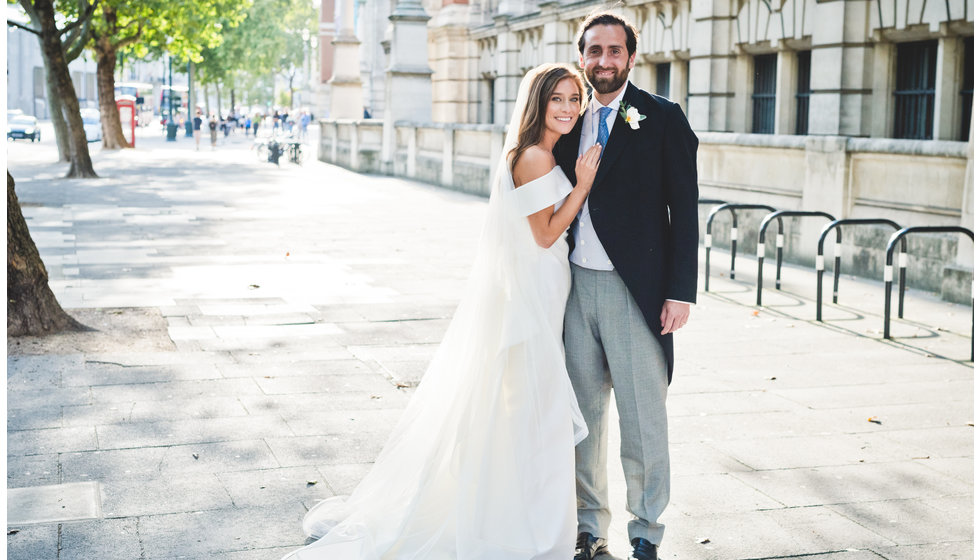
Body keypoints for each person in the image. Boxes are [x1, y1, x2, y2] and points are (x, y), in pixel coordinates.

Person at [280, 63, 602, 560]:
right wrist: (581, 185)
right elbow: (542, 234)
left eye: (573, 99)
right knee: (537, 413)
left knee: (522, 412)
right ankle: (525, 525)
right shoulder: (536, 158)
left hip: (546, 288)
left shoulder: (536, 153)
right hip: (535, 294)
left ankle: (514, 510)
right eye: (557, 98)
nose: (567, 108)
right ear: (538, 103)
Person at [554, 11, 699, 560]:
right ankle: (590, 529)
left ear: (631, 57)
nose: (604, 61)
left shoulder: (662, 118)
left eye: (615, 51)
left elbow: (684, 211)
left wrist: (679, 291)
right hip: (571, 292)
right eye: (594, 51)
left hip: (634, 291)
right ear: (582, 55)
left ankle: (646, 531)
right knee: (582, 421)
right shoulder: (568, 119)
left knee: (643, 419)